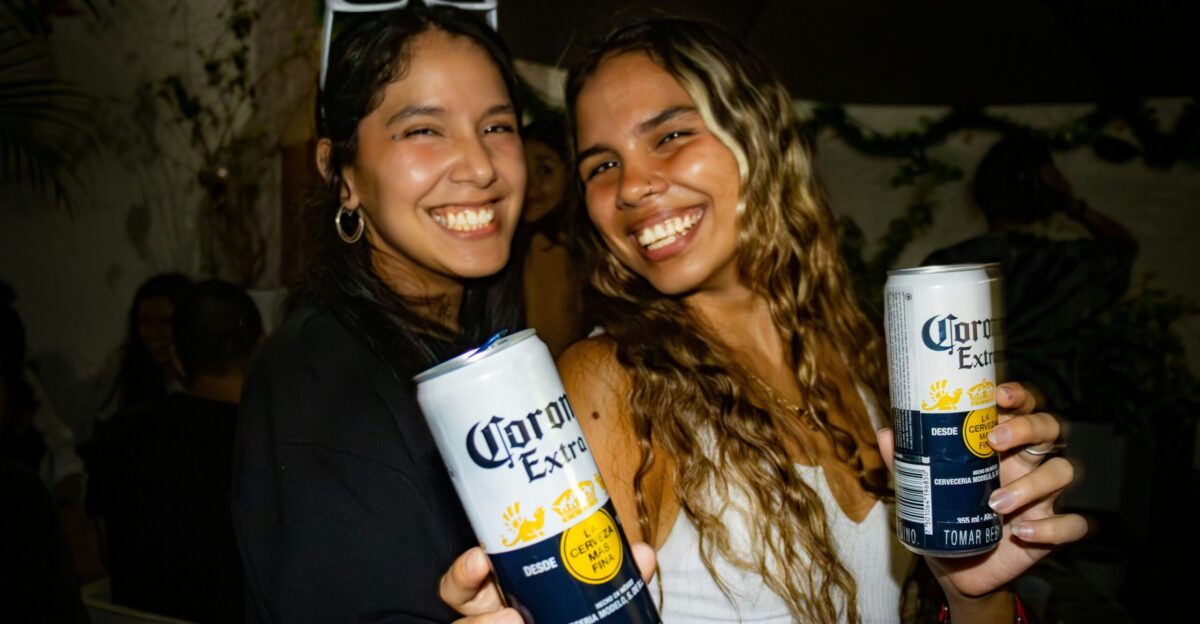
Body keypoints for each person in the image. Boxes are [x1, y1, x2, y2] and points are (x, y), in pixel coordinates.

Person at [443, 17, 1086, 623]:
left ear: (756, 134)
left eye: (670, 135)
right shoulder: (612, 381)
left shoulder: (858, 350)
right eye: (603, 165)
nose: (633, 185)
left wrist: (977, 593)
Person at [231, 5, 525, 622]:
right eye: (423, 130)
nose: (479, 166)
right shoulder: (324, 376)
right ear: (342, 175)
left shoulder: (477, 352)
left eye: (497, 127)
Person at [923, 135, 1137, 415]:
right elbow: (1123, 249)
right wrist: (1075, 206)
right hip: (1047, 418)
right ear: (1048, 198)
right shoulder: (1068, 264)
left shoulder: (944, 265)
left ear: (980, 194)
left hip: (962, 418)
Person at [90, 279, 262, 622]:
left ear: (177, 357)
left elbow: (107, 549)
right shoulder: (270, 439)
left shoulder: (119, 433)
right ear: (260, 348)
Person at [514, 115, 583, 356]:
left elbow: (550, 347)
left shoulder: (548, 245)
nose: (531, 187)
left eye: (545, 170)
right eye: (523, 170)